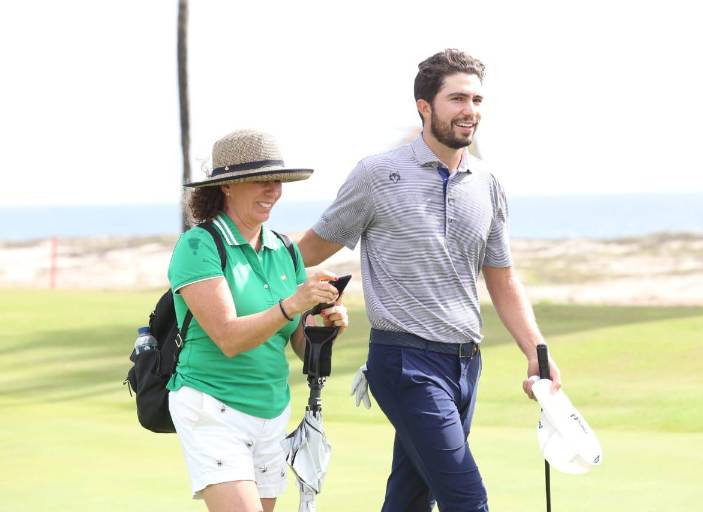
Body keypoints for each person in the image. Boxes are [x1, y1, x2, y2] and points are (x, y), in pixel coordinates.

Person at [298, 49, 562, 511]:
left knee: (409, 497)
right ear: (425, 105)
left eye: (477, 100)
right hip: (405, 362)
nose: (471, 111)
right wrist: (254, 283)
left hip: (465, 365)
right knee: (466, 498)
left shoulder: (488, 183)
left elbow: (502, 279)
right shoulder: (379, 174)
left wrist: (536, 351)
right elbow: (309, 250)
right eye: (458, 98)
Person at [166, 129, 348, 512]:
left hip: (271, 411)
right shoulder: (199, 245)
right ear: (228, 187)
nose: (273, 191)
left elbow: (298, 343)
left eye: (277, 181)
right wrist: (292, 303)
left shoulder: (284, 249)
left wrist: (323, 326)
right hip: (212, 405)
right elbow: (228, 338)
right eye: (261, 181)